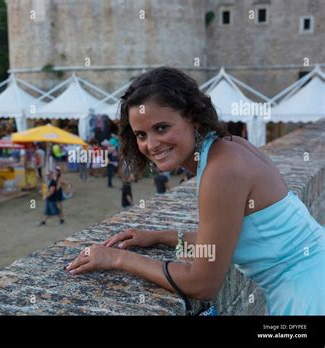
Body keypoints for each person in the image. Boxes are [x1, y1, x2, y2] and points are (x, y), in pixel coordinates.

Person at [65, 67, 325, 315]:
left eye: (161, 128)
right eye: (141, 134)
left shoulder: (221, 170)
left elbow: (203, 284)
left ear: (193, 118)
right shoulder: (228, 147)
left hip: (309, 295)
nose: (151, 144)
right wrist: (159, 237)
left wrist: (117, 258)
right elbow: (222, 240)